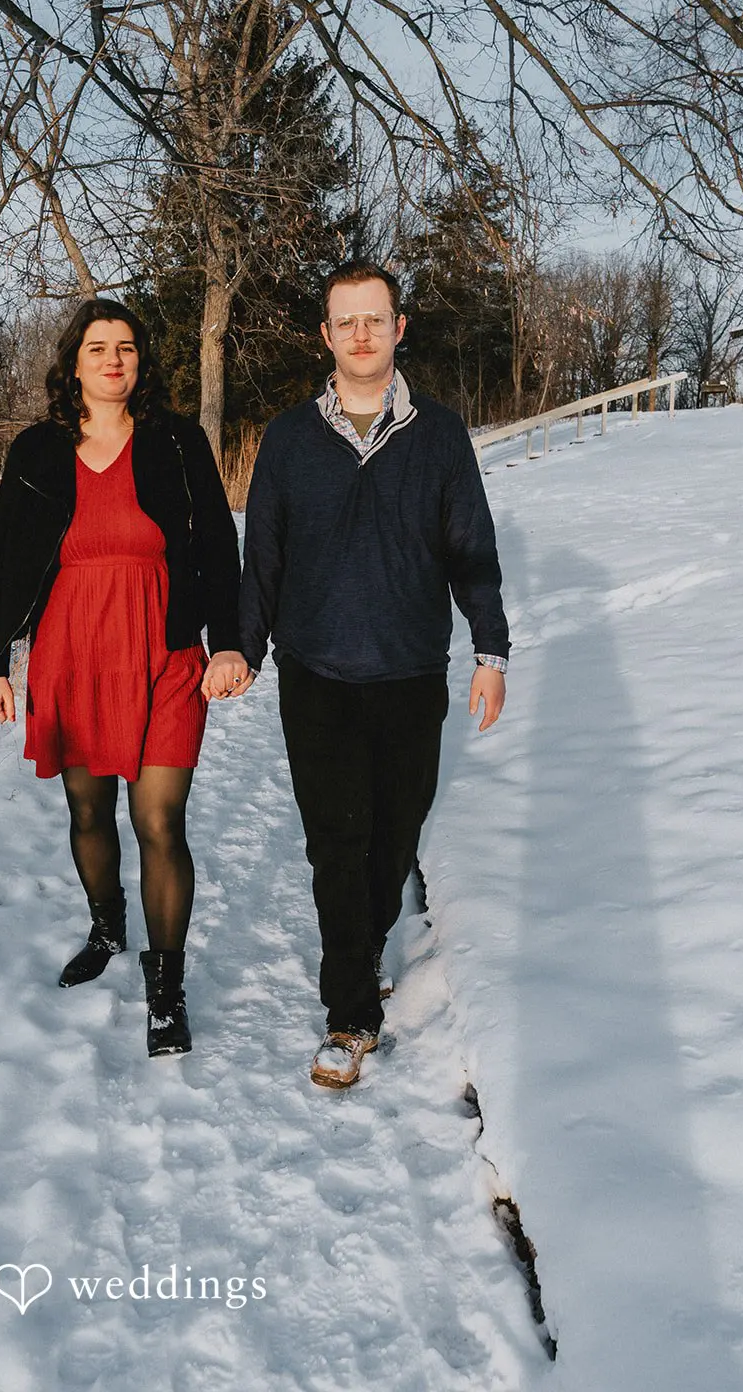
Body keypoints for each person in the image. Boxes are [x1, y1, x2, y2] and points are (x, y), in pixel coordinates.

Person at [239, 260, 509, 1089]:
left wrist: (490, 651)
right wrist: (242, 650)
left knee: (392, 839)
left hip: (408, 674)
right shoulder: (287, 438)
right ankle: (350, 1014)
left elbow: (472, 554)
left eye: (375, 318)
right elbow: (263, 560)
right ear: (324, 335)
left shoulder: (439, 434)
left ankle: (358, 951)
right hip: (316, 676)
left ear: (400, 327)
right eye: (344, 321)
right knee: (336, 846)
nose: (360, 334)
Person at [0, 299, 251, 1057]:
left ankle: (166, 993)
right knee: (90, 812)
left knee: (160, 820)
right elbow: (4, 558)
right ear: (73, 362)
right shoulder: (35, 449)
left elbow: (218, 545)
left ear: (141, 361)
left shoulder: (175, 439)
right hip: (72, 648)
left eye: (126, 347)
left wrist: (226, 643)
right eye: (97, 347)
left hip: (163, 646)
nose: (113, 360)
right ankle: (106, 926)